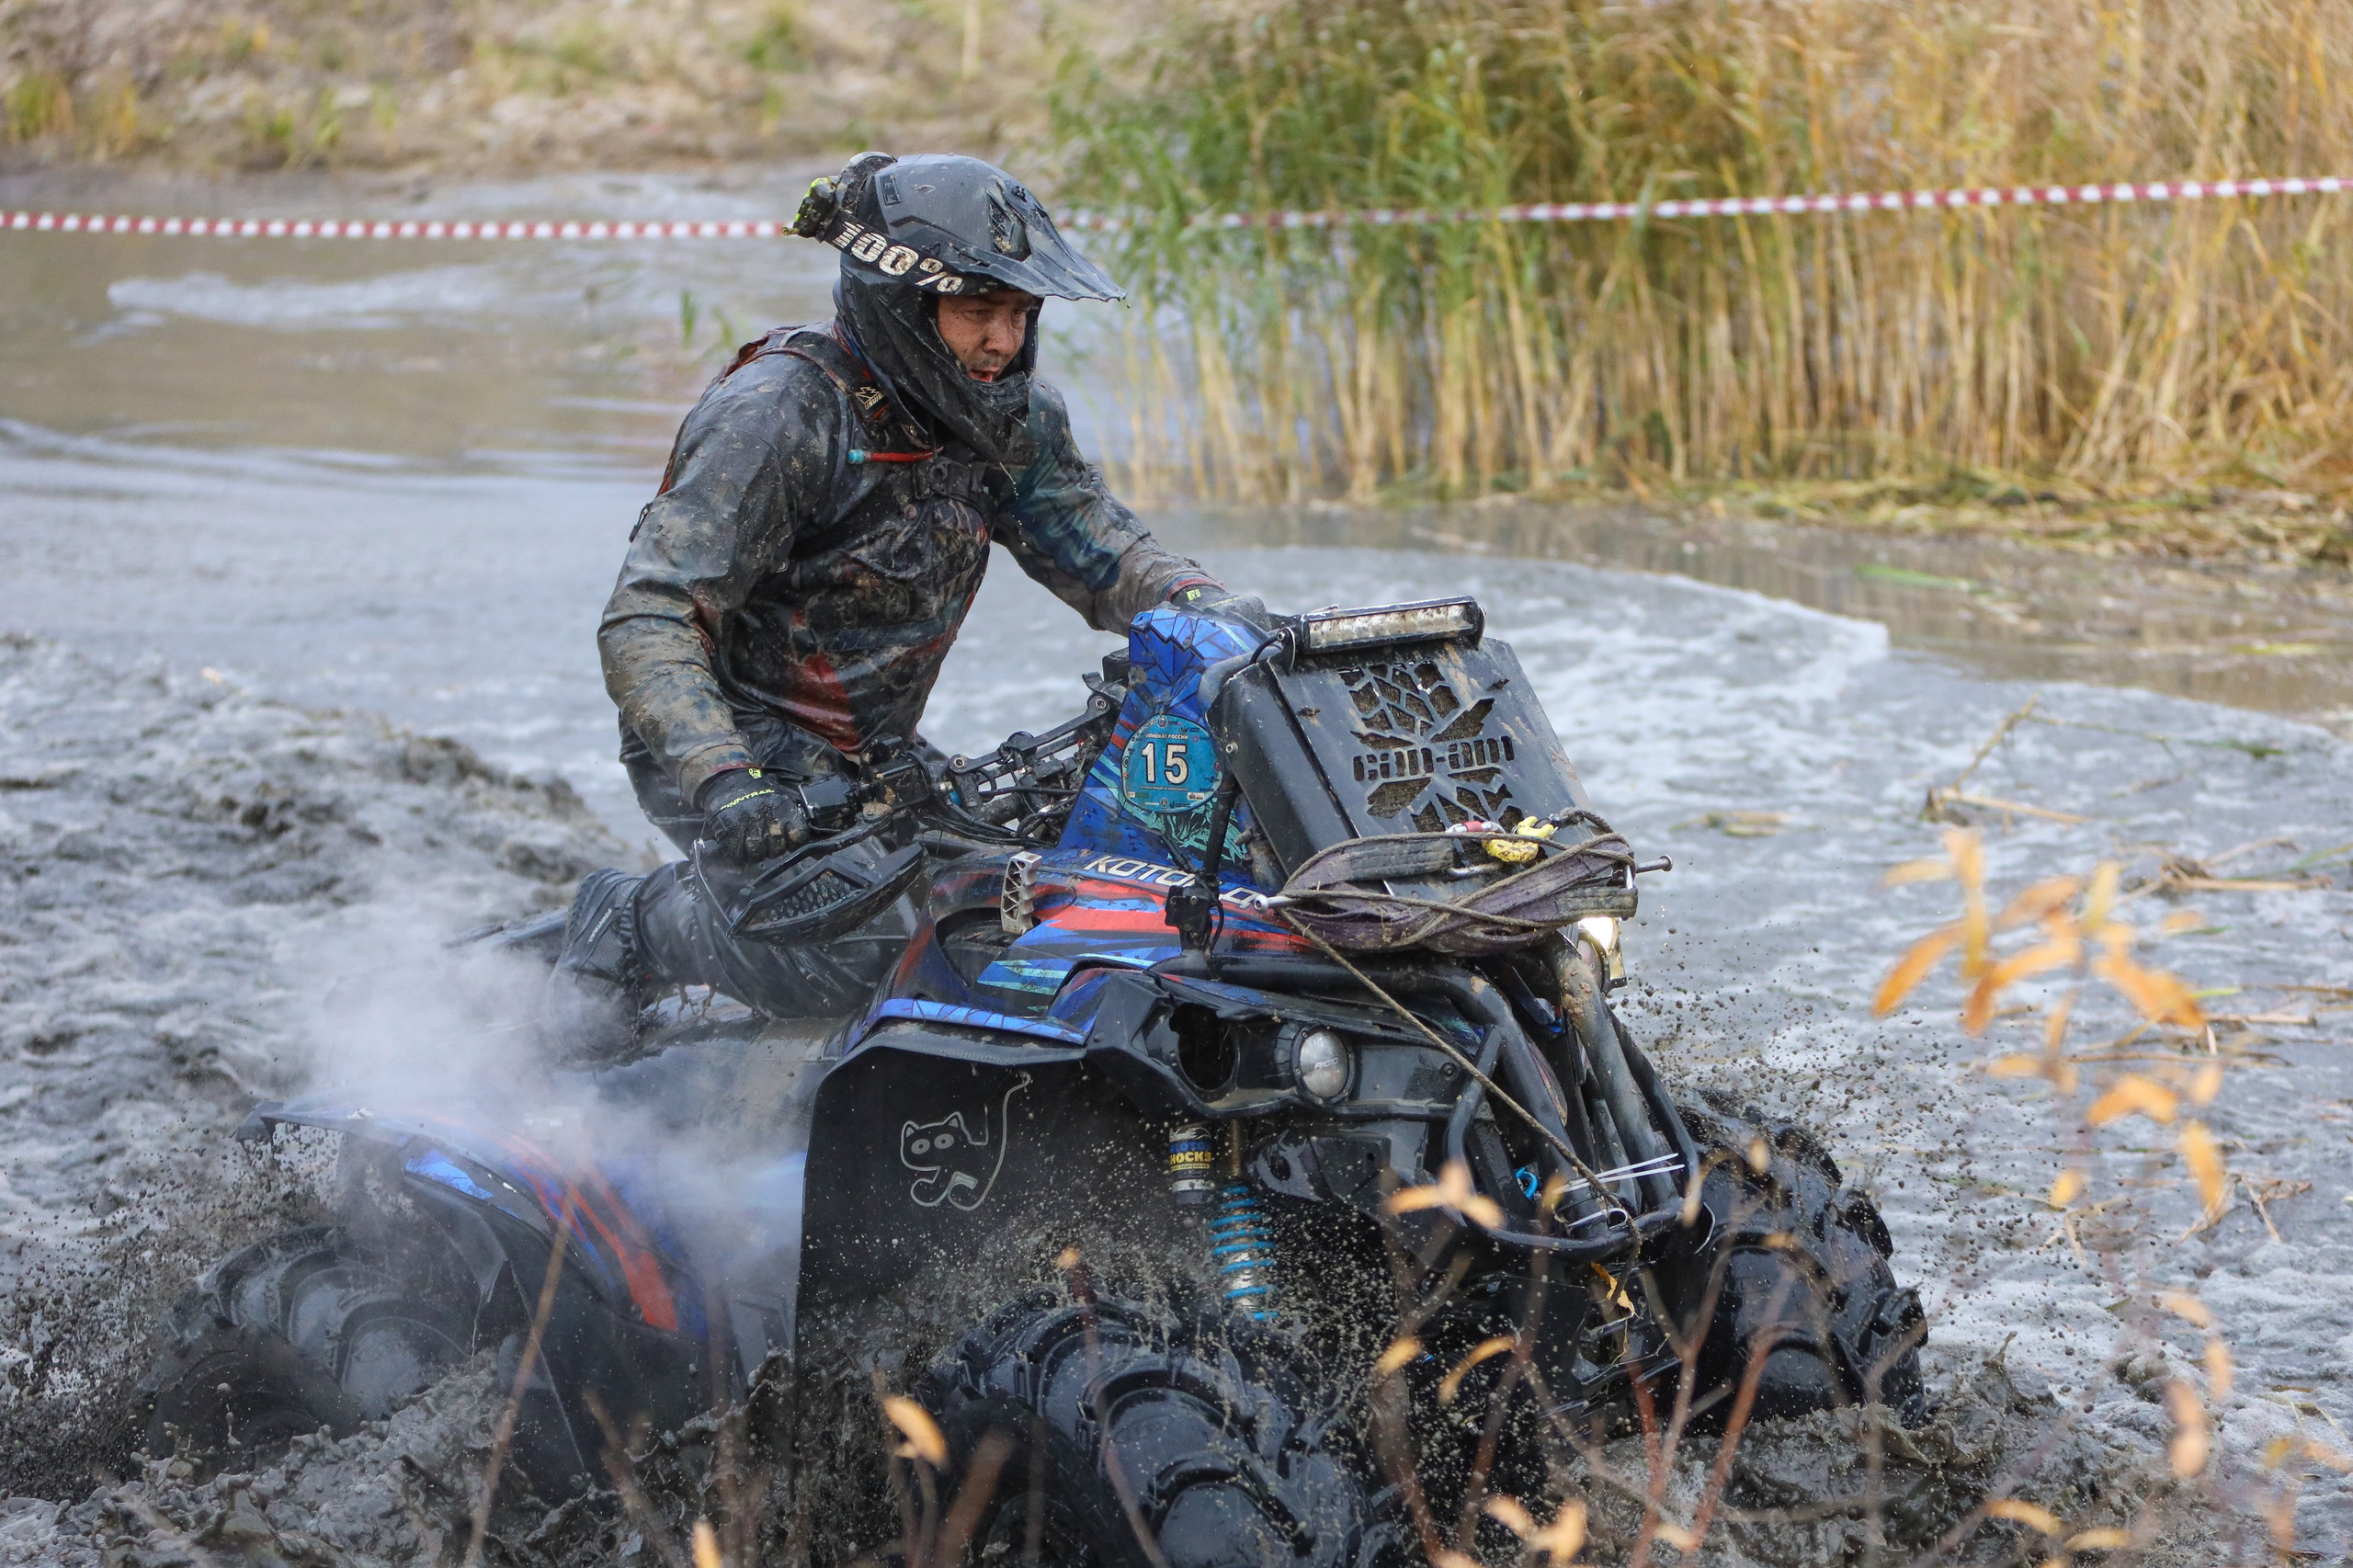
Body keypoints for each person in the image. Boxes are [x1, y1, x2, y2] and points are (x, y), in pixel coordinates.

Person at [547, 151, 1252, 1053]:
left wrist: (1213, 612)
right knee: (862, 943)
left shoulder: (1009, 417)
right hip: (730, 739)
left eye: (1018, 312)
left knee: (1031, 892)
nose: (1001, 340)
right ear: (901, 302)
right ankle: (634, 916)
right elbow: (651, 613)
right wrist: (721, 772)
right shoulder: (780, 413)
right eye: (974, 312)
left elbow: (1101, 548)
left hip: (873, 752)